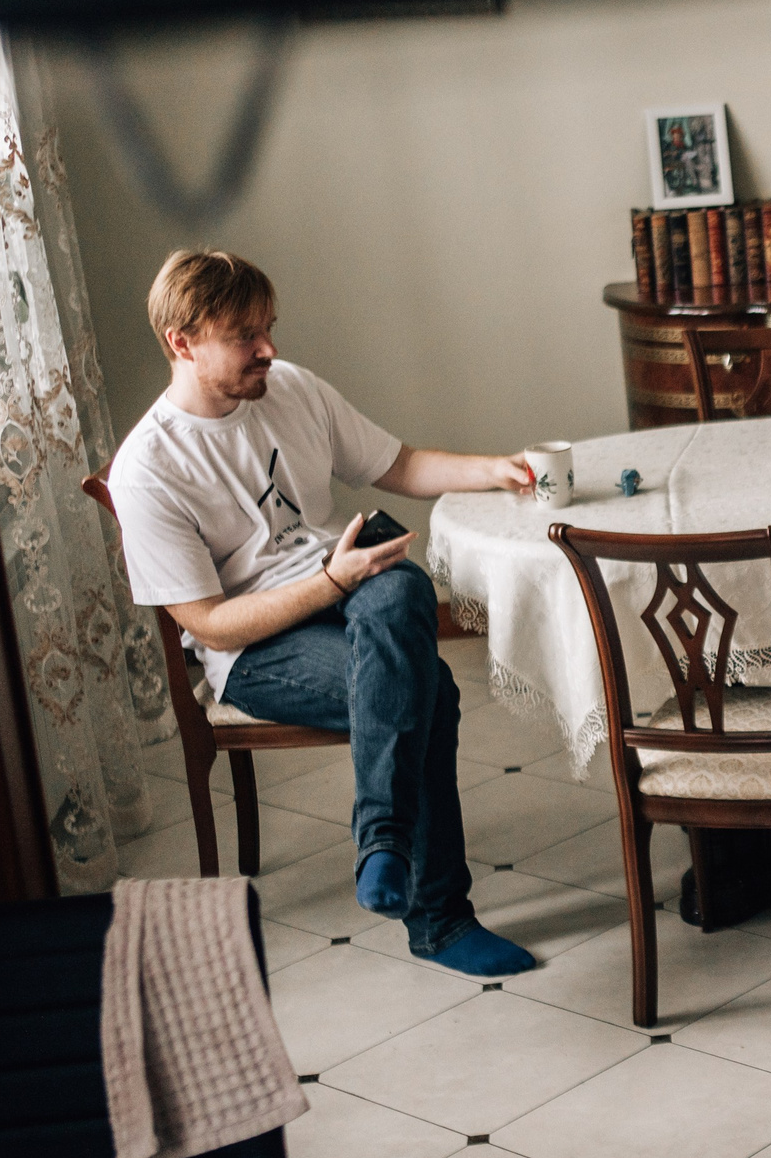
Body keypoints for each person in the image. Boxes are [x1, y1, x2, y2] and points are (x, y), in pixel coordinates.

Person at [109, 250, 539, 976]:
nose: (269, 349)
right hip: (253, 646)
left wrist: (493, 468)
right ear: (182, 342)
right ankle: (436, 916)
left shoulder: (291, 389)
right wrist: (333, 584)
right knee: (429, 692)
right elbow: (210, 624)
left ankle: (384, 845)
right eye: (245, 335)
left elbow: (397, 464)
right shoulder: (148, 469)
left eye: (268, 328)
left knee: (403, 587)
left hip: (346, 589)